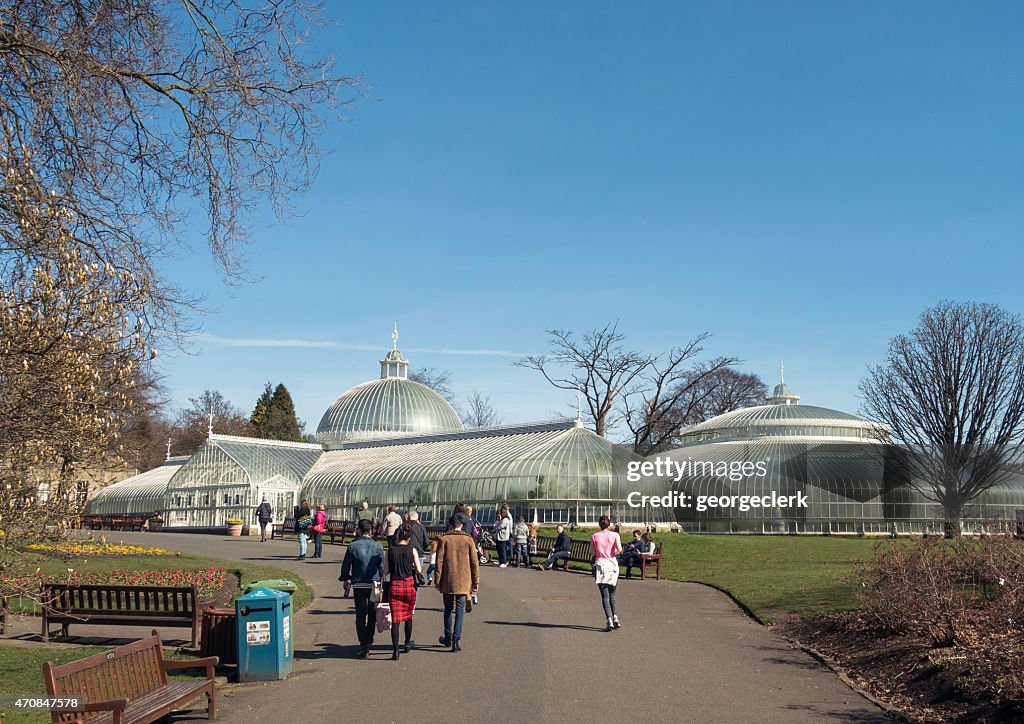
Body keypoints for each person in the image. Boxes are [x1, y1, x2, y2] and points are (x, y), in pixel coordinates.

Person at [339, 519, 385, 658]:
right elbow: (382, 568)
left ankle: (363, 644)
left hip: (358, 584)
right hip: (375, 583)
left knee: (360, 615)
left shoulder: (352, 546)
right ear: (371, 531)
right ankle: (369, 638)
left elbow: (346, 564)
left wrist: (345, 578)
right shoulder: (378, 546)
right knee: (373, 613)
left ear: (359, 530)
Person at [435, 516, 479, 652]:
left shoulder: (444, 539)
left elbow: (439, 562)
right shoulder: (468, 540)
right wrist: (475, 581)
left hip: (448, 580)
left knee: (448, 609)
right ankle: (456, 640)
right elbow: (474, 563)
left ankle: (447, 637)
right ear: (463, 525)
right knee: (459, 611)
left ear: (451, 524)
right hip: (464, 580)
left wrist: (437, 580)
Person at [383, 523, 422, 660]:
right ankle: (406, 644)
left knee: (395, 620)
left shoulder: (390, 550)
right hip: (409, 585)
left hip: (395, 586)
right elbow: (419, 570)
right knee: (408, 616)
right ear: (409, 538)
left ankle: (395, 651)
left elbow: (385, 571)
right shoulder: (412, 550)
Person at [591, 515, 623, 631]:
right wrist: (612, 554)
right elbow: (620, 549)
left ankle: (609, 619)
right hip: (612, 564)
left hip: (601, 564)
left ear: (599, 524)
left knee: (605, 595)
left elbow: (593, 553)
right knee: (612, 594)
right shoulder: (615, 535)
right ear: (609, 524)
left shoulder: (594, 536)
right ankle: (615, 617)